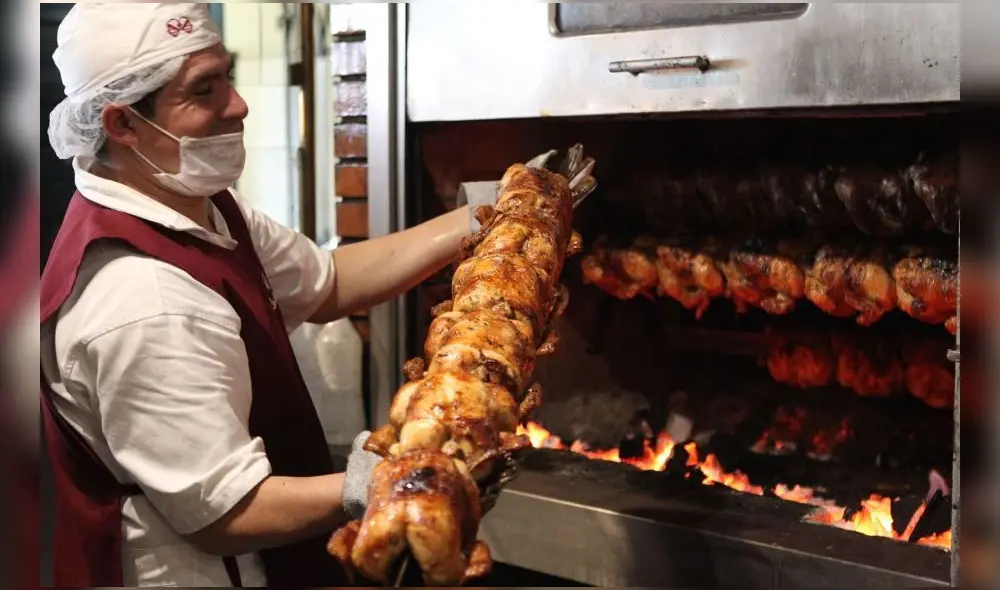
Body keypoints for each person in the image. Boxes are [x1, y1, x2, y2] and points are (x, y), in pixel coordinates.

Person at [39, 3, 482, 587]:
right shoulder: (140, 295)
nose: (239, 104)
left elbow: (328, 281)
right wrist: (381, 480)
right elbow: (223, 510)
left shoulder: (197, 207)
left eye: (228, 76)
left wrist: (484, 219)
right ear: (123, 125)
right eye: (204, 90)